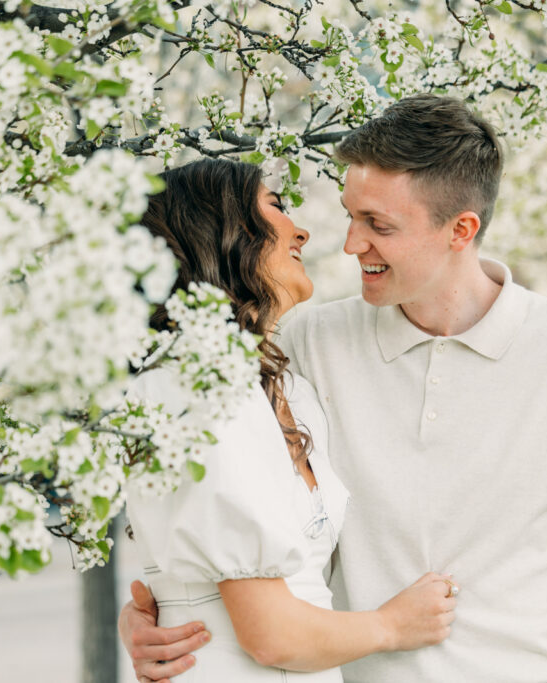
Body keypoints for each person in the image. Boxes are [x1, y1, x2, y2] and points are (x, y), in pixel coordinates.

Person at [121, 96, 547, 683]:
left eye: (379, 225)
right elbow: (219, 501)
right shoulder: (305, 343)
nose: (352, 244)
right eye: (351, 216)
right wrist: (163, 609)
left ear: (461, 230)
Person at [122, 158, 458, 683]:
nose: (301, 229)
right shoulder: (197, 387)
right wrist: (394, 626)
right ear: (222, 232)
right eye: (275, 208)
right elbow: (271, 633)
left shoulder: (285, 389)